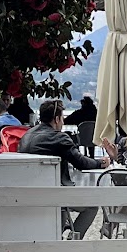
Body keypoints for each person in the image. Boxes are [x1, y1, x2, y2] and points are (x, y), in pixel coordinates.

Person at [22, 97, 109, 236]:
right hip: (54, 193)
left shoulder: (27, 135)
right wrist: (101, 163)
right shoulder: (59, 138)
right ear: (57, 119)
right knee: (92, 206)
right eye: (62, 118)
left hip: (28, 192)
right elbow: (81, 163)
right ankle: (73, 242)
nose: (63, 122)